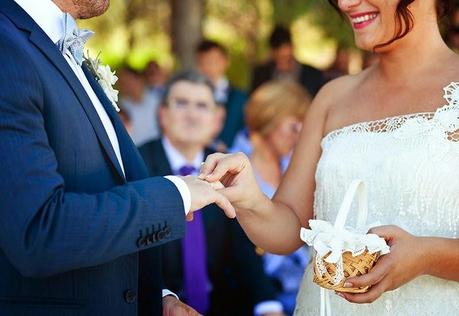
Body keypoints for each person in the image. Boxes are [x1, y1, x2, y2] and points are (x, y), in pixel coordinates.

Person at [200, 0, 459, 315]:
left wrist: (428, 255)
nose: (346, 3)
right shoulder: (331, 97)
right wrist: (249, 200)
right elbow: (290, 226)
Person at [0, 1, 235, 315]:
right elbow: (38, 231)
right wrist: (177, 195)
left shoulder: (57, 44)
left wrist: (156, 299)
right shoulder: (7, 46)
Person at [140, 71, 284, 316]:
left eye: (202, 106)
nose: (192, 114)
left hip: (223, 305)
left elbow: (243, 248)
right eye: (181, 103)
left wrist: (268, 306)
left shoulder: (227, 167)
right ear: (162, 114)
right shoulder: (137, 166)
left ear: (218, 120)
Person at [244, 80, 311, 315]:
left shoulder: (294, 166)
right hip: (262, 296)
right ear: (269, 120)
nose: (300, 133)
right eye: (294, 125)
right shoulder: (240, 172)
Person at [196, 40, 248, 150]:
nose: (209, 67)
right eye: (203, 62)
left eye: (214, 61)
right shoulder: (192, 98)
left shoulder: (240, 98)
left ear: (226, 62)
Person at [250, 25, 325, 97]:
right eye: (279, 59)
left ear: (292, 47)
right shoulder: (261, 74)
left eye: (287, 58)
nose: (283, 64)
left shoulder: (313, 75)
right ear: (272, 53)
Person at [118, 66, 161, 146]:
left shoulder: (157, 100)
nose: (126, 86)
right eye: (122, 83)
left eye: (129, 80)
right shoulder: (121, 107)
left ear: (139, 79)